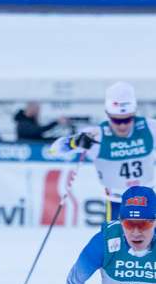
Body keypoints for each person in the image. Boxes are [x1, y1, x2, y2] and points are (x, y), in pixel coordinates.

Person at [49, 81, 154, 221]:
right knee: (115, 242)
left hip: (148, 198)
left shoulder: (149, 127)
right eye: (116, 120)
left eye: (127, 119)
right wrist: (74, 142)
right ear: (108, 114)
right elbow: (54, 150)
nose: (122, 126)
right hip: (116, 201)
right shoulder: (96, 135)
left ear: (134, 113)